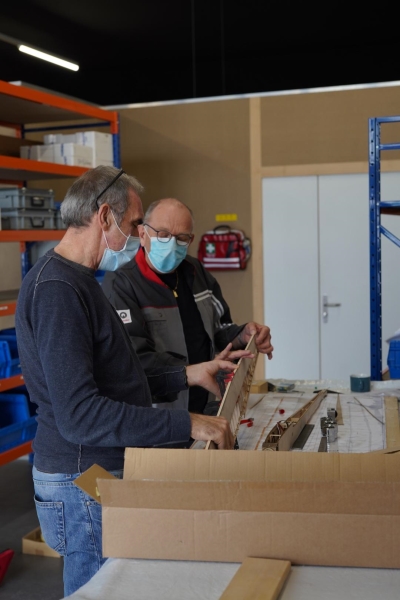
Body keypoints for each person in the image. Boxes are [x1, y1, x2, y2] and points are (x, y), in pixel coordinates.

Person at [15, 167, 242, 597]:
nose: (141, 234)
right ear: (105, 216)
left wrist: (185, 374)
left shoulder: (81, 281)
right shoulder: (58, 291)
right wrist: (187, 423)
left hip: (95, 471)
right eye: (137, 223)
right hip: (81, 477)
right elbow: (81, 415)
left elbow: (114, 377)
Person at [102, 197, 274, 416]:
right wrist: (191, 372)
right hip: (159, 415)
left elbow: (219, 330)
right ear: (143, 234)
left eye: (181, 238)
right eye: (163, 234)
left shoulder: (196, 272)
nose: (172, 244)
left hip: (207, 403)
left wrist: (243, 335)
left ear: (191, 240)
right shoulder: (122, 284)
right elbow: (133, 361)